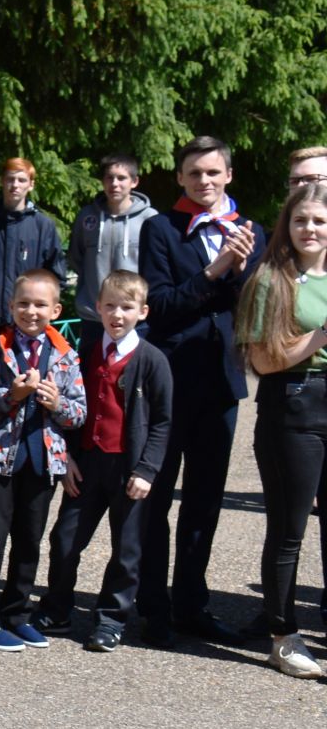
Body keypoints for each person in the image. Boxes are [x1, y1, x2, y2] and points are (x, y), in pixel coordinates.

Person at [135, 136, 265, 646]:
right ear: (181, 179)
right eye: (194, 174)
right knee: (156, 499)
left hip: (221, 382)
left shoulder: (249, 231)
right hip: (170, 382)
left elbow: (253, 307)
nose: (204, 182)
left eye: (213, 173)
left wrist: (240, 272)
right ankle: (153, 608)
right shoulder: (160, 229)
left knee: (205, 502)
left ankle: (192, 603)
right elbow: (160, 306)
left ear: (228, 175)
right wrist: (213, 272)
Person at [34, 270, 172, 654]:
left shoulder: (152, 360)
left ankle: (111, 619)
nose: (117, 314)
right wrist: (68, 458)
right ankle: (57, 608)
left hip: (129, 469)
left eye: (126, 307)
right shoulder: (86, 351)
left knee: (126, 550)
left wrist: (147, 470)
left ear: (142, 312)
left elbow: (162, 422)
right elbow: (72, 407)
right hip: (88, 464)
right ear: (97, 307)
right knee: (64, 539)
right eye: (109, 305)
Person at [0, 269, 86, 652]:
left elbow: (80, 412)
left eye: (39, 305)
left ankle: (16, 613)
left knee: (28, 541)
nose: (30, 311)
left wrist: (58, 405)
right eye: (23, 303)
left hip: (41, 460)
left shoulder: (67, 354)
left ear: (55, 309)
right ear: (11, 305)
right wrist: (9, 396)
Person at [235, 185, 327, 678]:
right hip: (293, 407)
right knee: (289, 530)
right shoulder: (271, 280)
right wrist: (323, 334)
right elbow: (263, 361)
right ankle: (283, 636)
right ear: (287, 227)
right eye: (300, 220)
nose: (309, 229)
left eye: (318, 220)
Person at [0, 157, 67, 334]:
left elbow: (56, 276)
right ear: (2, 181)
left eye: (21, 180)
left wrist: (40, 306)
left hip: (30, 324)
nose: (15, 185)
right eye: (10, 179)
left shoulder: (43, 227)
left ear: (31, 185)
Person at [67, 154, 157, 333]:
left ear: (134, 181)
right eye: (109, 177)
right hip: (94, 317)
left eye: (122, 178)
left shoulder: (150, 219)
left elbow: (155, 267)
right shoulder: (87, 217)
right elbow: (76, 258)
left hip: (133, 319)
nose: (114, 183)